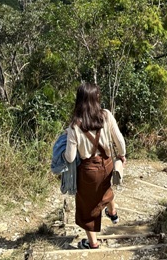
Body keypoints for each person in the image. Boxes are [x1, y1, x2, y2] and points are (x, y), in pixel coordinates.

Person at [63, 82, 126, 250]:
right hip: (107, 163)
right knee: (105, 188)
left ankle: (93, 243)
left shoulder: (74, 126)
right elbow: (119, 140)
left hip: (89, 170)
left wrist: (62, 154)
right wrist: (122, 155)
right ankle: (112, 213)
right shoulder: (106, 115)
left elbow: (70, 157)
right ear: (96, 98)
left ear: (79, 100)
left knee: (86, 206)